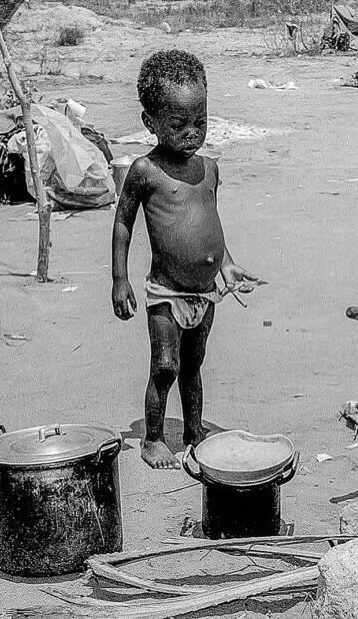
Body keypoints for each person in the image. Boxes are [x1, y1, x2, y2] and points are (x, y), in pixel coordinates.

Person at [111, 50, 261, 469]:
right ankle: (154, 438)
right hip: (166, 292)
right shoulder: (145, 171)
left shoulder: (209, 169)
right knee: (164, 365)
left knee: (194, 364)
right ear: (150, 122)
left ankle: (194, 430)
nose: (192, 133)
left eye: (201, 122)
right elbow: (123, 222)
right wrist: (119, 279)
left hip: (206, 292)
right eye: (178, 125)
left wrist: (226, 264)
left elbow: (211, 222)